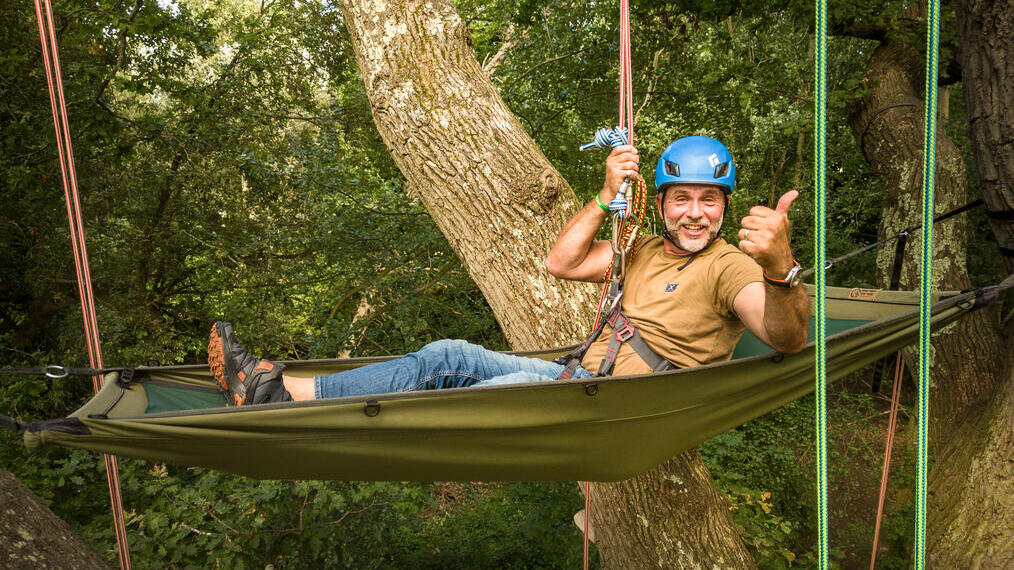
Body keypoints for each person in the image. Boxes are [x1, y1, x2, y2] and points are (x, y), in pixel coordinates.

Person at [208, 136, 810, 406]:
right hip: (577, 374)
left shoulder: (732, 267)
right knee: (447, 355)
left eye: (710, 199)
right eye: (683, 198)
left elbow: (786, 337)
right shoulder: (646, 248)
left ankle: (287, 410)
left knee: (477, 399)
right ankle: (275, 390)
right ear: (662, 202)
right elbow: (562, 261)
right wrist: (603, 197)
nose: (696, 212)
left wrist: (781, 265)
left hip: (613, 404)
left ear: (726, 206)